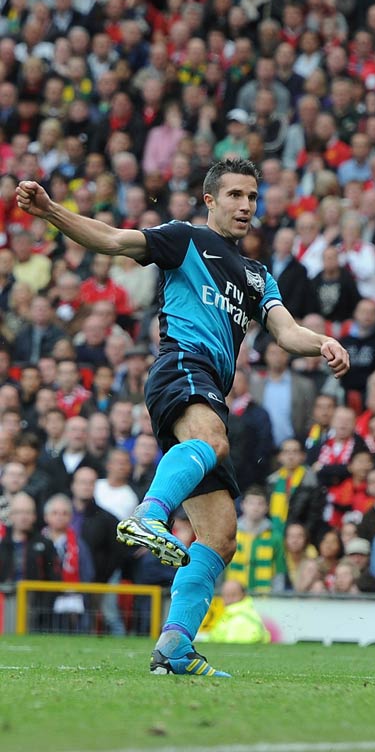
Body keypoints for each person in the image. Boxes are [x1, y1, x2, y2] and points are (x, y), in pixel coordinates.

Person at [16, 159, 350, 678]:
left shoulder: (258, 275)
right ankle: (149, 514)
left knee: (220, 536)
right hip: (180, 368)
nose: (245, 206)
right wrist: (51, 210)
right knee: (213, 439)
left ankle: (173, 647)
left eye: (253, 197)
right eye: (235, 195)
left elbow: (286, 333)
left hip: (208, 388)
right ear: (210, 199)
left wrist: (323, 341)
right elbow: (110, 240)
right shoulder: (184, 239)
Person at [204, 579, 271, 644]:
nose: (227, 599)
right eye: (225, 595)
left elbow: (229, 649)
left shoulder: (240, 620)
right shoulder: (233, 615)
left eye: (233, 595)